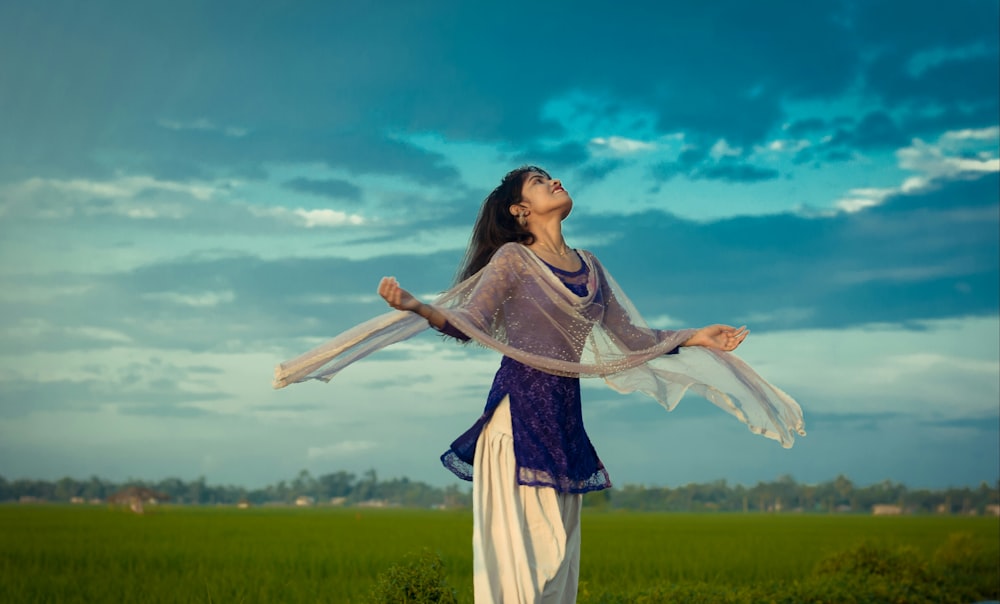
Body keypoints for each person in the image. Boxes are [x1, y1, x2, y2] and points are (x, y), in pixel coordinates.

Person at [273, 166, 805, 603]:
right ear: (519, 209)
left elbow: (631, 337)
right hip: (515, 425)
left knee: (559, 574)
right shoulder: (512, 260)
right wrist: (419, 308)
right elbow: (473, 323)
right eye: (539, 180)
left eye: (552, 176)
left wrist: (698, 336)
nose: (554, 181)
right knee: (523, 571)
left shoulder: (590, 266)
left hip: (565, 429)